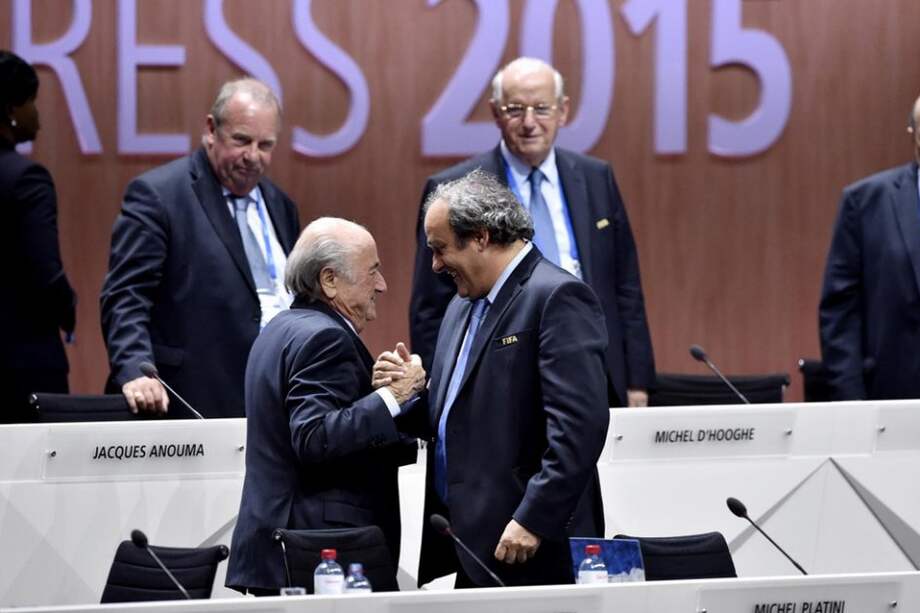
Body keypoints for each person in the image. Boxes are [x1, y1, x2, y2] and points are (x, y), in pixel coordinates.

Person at [381, 169, 609, 587]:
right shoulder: (459, 307)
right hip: (469, 543)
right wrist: (407, 393)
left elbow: (579, 428)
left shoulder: (557, 297)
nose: (434, 265)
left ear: (482, 237)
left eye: (440, 249)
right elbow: (453, 413)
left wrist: (534, 520)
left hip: (531, 544)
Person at [409, 57, 654, 408]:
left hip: (593, 363)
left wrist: (637, 381)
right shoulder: (454, 188)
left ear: (563, 111)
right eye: (514, 109)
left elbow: (626, 286)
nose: (529, 123)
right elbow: (429, 308)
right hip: (496, 374)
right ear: (495, 113)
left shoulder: (596, 177)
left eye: (541, 108)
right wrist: (438, 392)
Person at [226, 217, 425, 594]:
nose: (382, 285)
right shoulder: (325, 338)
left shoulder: (279, 330)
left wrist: (379, 397)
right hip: (320, 556)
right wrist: (394, 397)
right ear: (330, 280)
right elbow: (314, 437)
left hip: (277, 548)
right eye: (373, 272)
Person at [100, 78, 300, 418]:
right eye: (241, 140)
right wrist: (135, 369)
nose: (253, 156)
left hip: (270, 404)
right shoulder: (159, 195)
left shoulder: (281, 205)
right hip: (187, 400)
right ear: (211, 129)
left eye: (265, 145)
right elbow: (125, 295)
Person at [818, 94, 920, 400]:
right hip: (893, 400)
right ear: (914, 134)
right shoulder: (865, 203)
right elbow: (840, 313)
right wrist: (853, 405)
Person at [0, 50, 76, 423]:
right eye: (32, 101)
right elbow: (46, 272)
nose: (38, 115)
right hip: (21, 364)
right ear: (11, 108)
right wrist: (69, 310)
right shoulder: (26, 179)